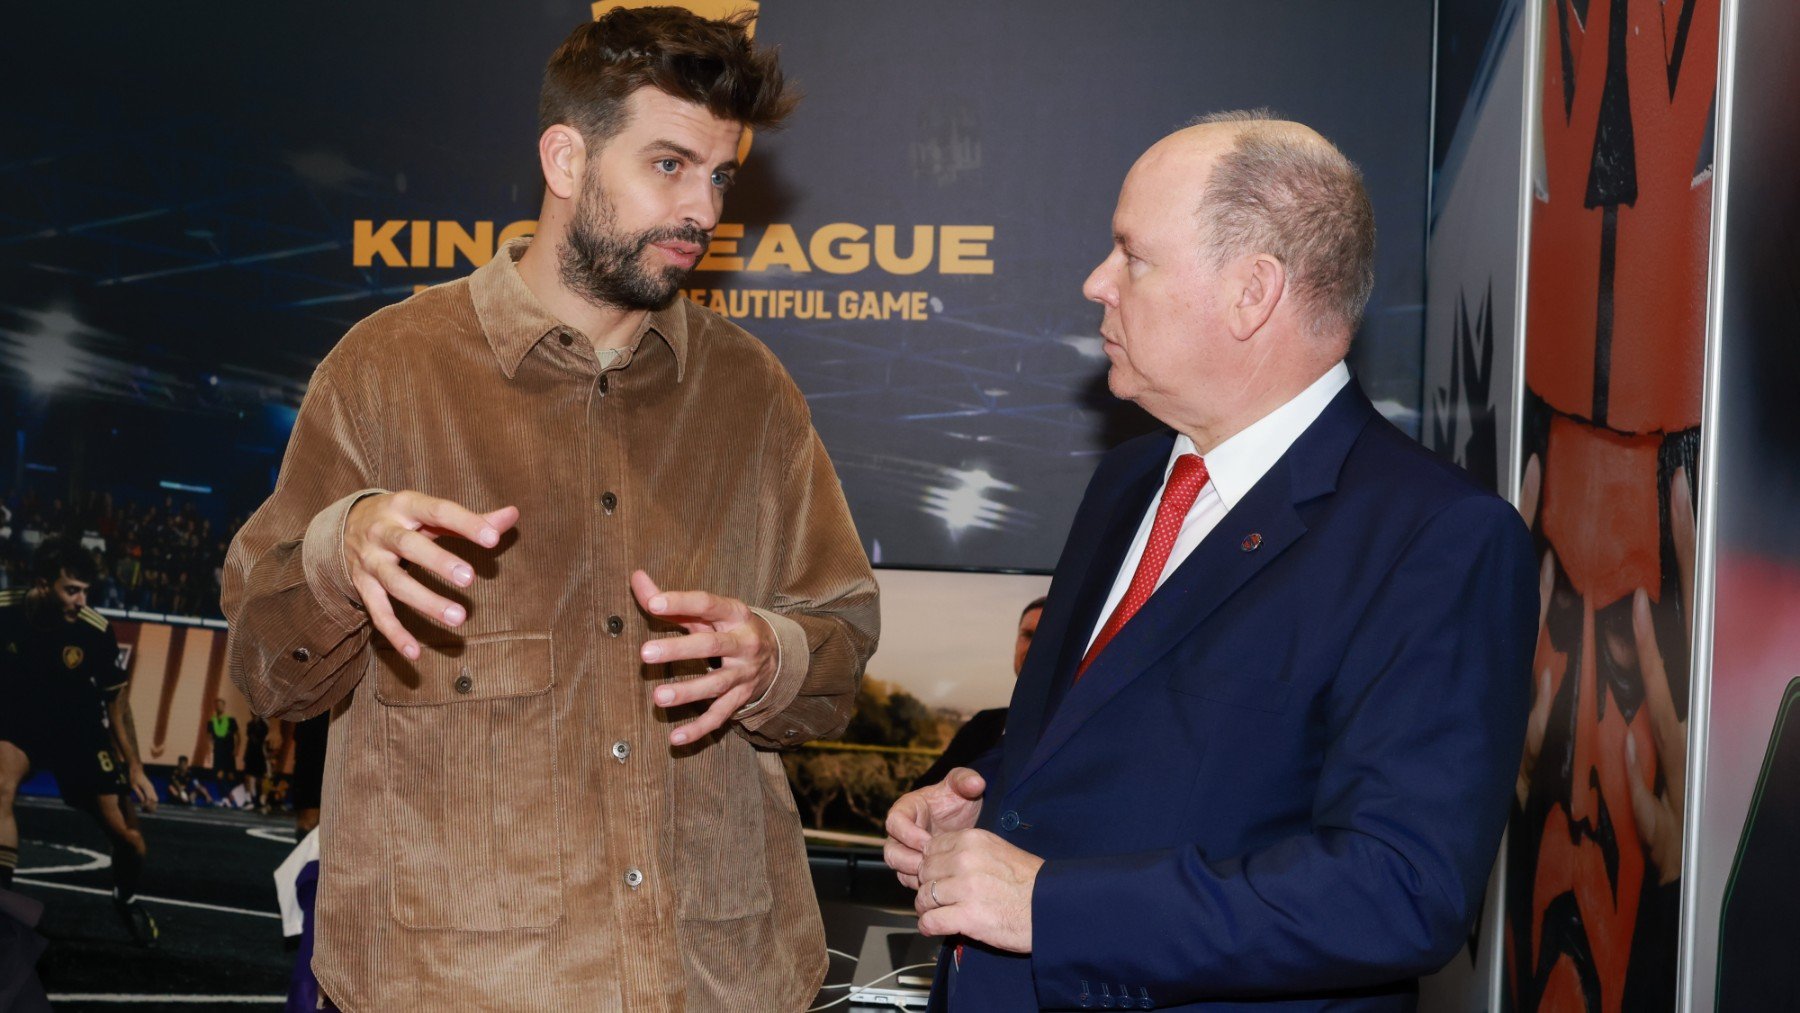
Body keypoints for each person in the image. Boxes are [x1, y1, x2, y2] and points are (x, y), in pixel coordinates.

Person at [221, 8, 878, 1010]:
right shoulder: (386, 373)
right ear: (566, 158)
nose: (702, 208)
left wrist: (775, 654)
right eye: (669, 165)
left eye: (720, 175)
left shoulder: (755, 396)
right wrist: (336, 551)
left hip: (719, 980)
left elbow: (841, 647)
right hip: (453, 985)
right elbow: (270, 678)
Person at [883, 112, 1537, 1011]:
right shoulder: (1129, 479)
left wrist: (1053, 905)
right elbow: (1121, 742)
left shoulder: (1437, 540)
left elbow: (1399, 889)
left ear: (1252, 293)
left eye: (1133, 257)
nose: (1096, 282)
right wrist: (981, 800)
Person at [0, 538, 160, 946]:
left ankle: (126, 897)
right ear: (41, 583)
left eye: (87, 590)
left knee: (130, 840)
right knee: (0, 788)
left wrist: (136, 767)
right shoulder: (6, 609)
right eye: (72, 590)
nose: (82, 599)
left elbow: (117, 704)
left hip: (81, 732)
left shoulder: (96, 630)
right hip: (20, 724)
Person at [913, 598, 1043, 789]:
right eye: (1028, 635)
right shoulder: (983, 724)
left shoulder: (1077, 730)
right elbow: (924, 792)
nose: (1032, 648)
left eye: (1045, 637)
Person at [204, 697, 239, 792]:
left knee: (231, 775)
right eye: (217, 705)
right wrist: (209, 751)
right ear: (215, 707)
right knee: (219, 774)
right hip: (218, 751)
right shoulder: (211, 722)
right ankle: (223, 795)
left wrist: (236, 748)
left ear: (224, 706)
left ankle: (234, 796)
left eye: (221, 705)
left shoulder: (231, 720)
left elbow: (237, 736)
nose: (219, 707)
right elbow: (209, 738)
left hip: (229, 751)